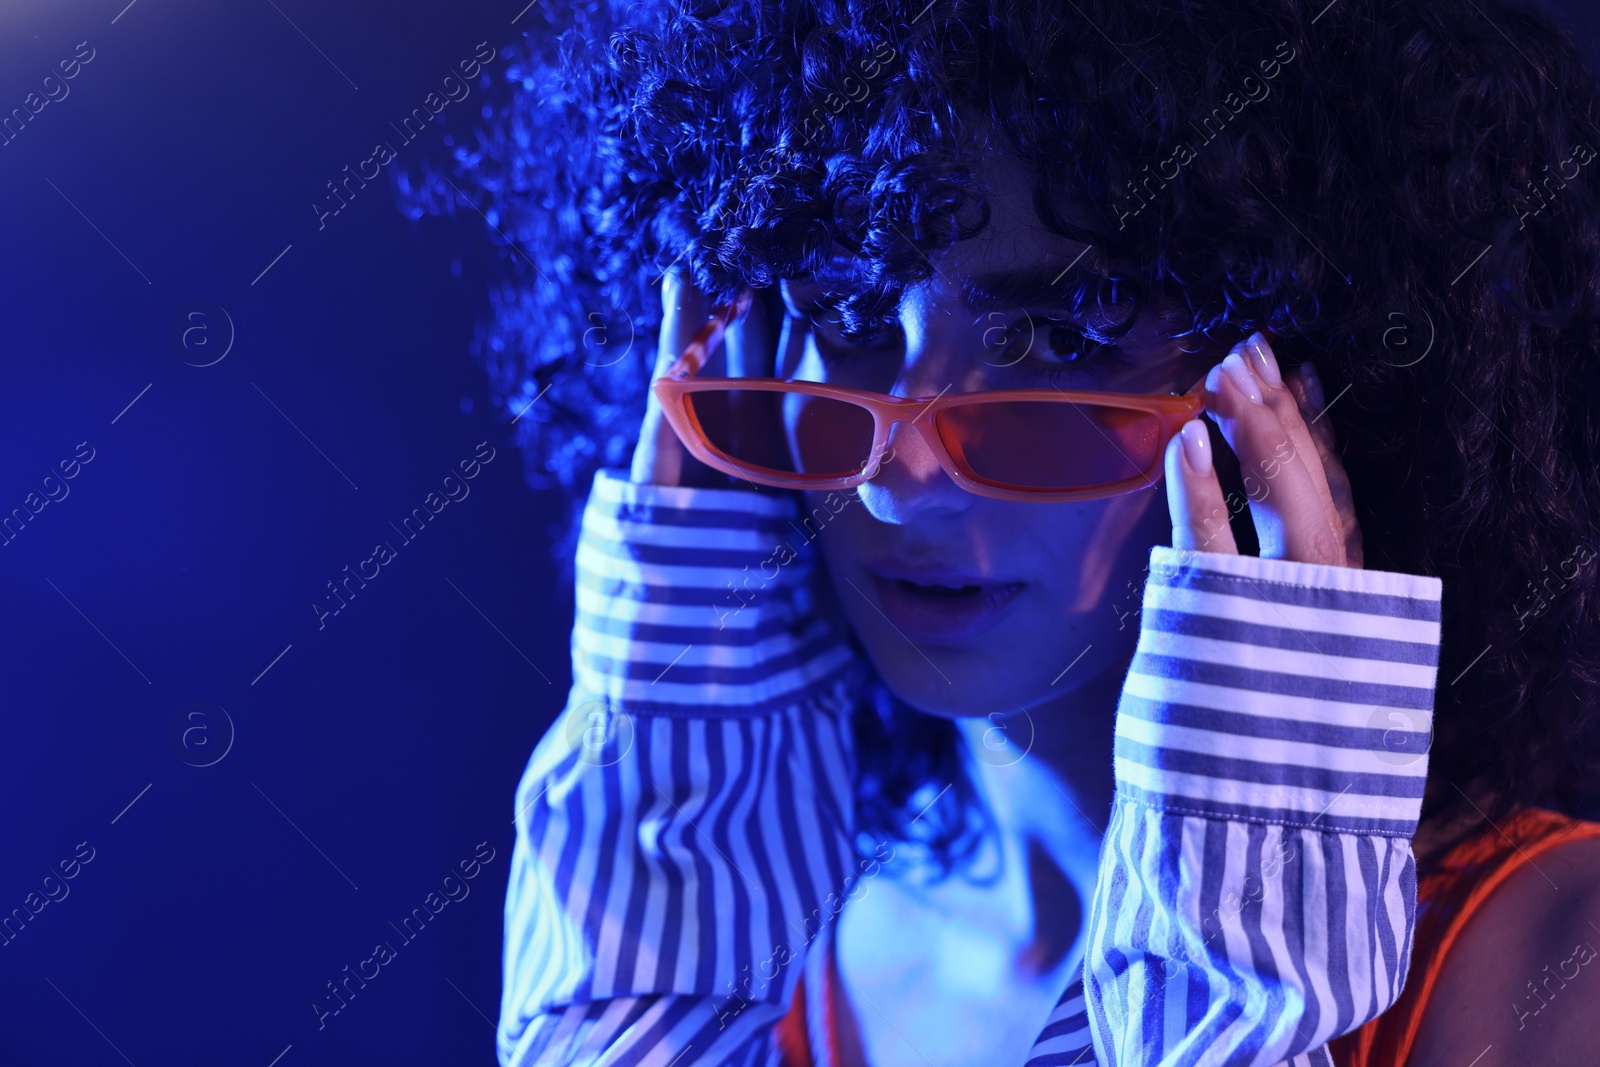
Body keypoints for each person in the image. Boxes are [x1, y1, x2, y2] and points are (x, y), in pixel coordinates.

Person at [403, 0, 1600, 1063]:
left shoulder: (1556, 958)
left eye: (1058, 332)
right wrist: (649, 900)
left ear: (1313, 392)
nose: (895, 479)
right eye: (854, 307)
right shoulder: (746, 957)